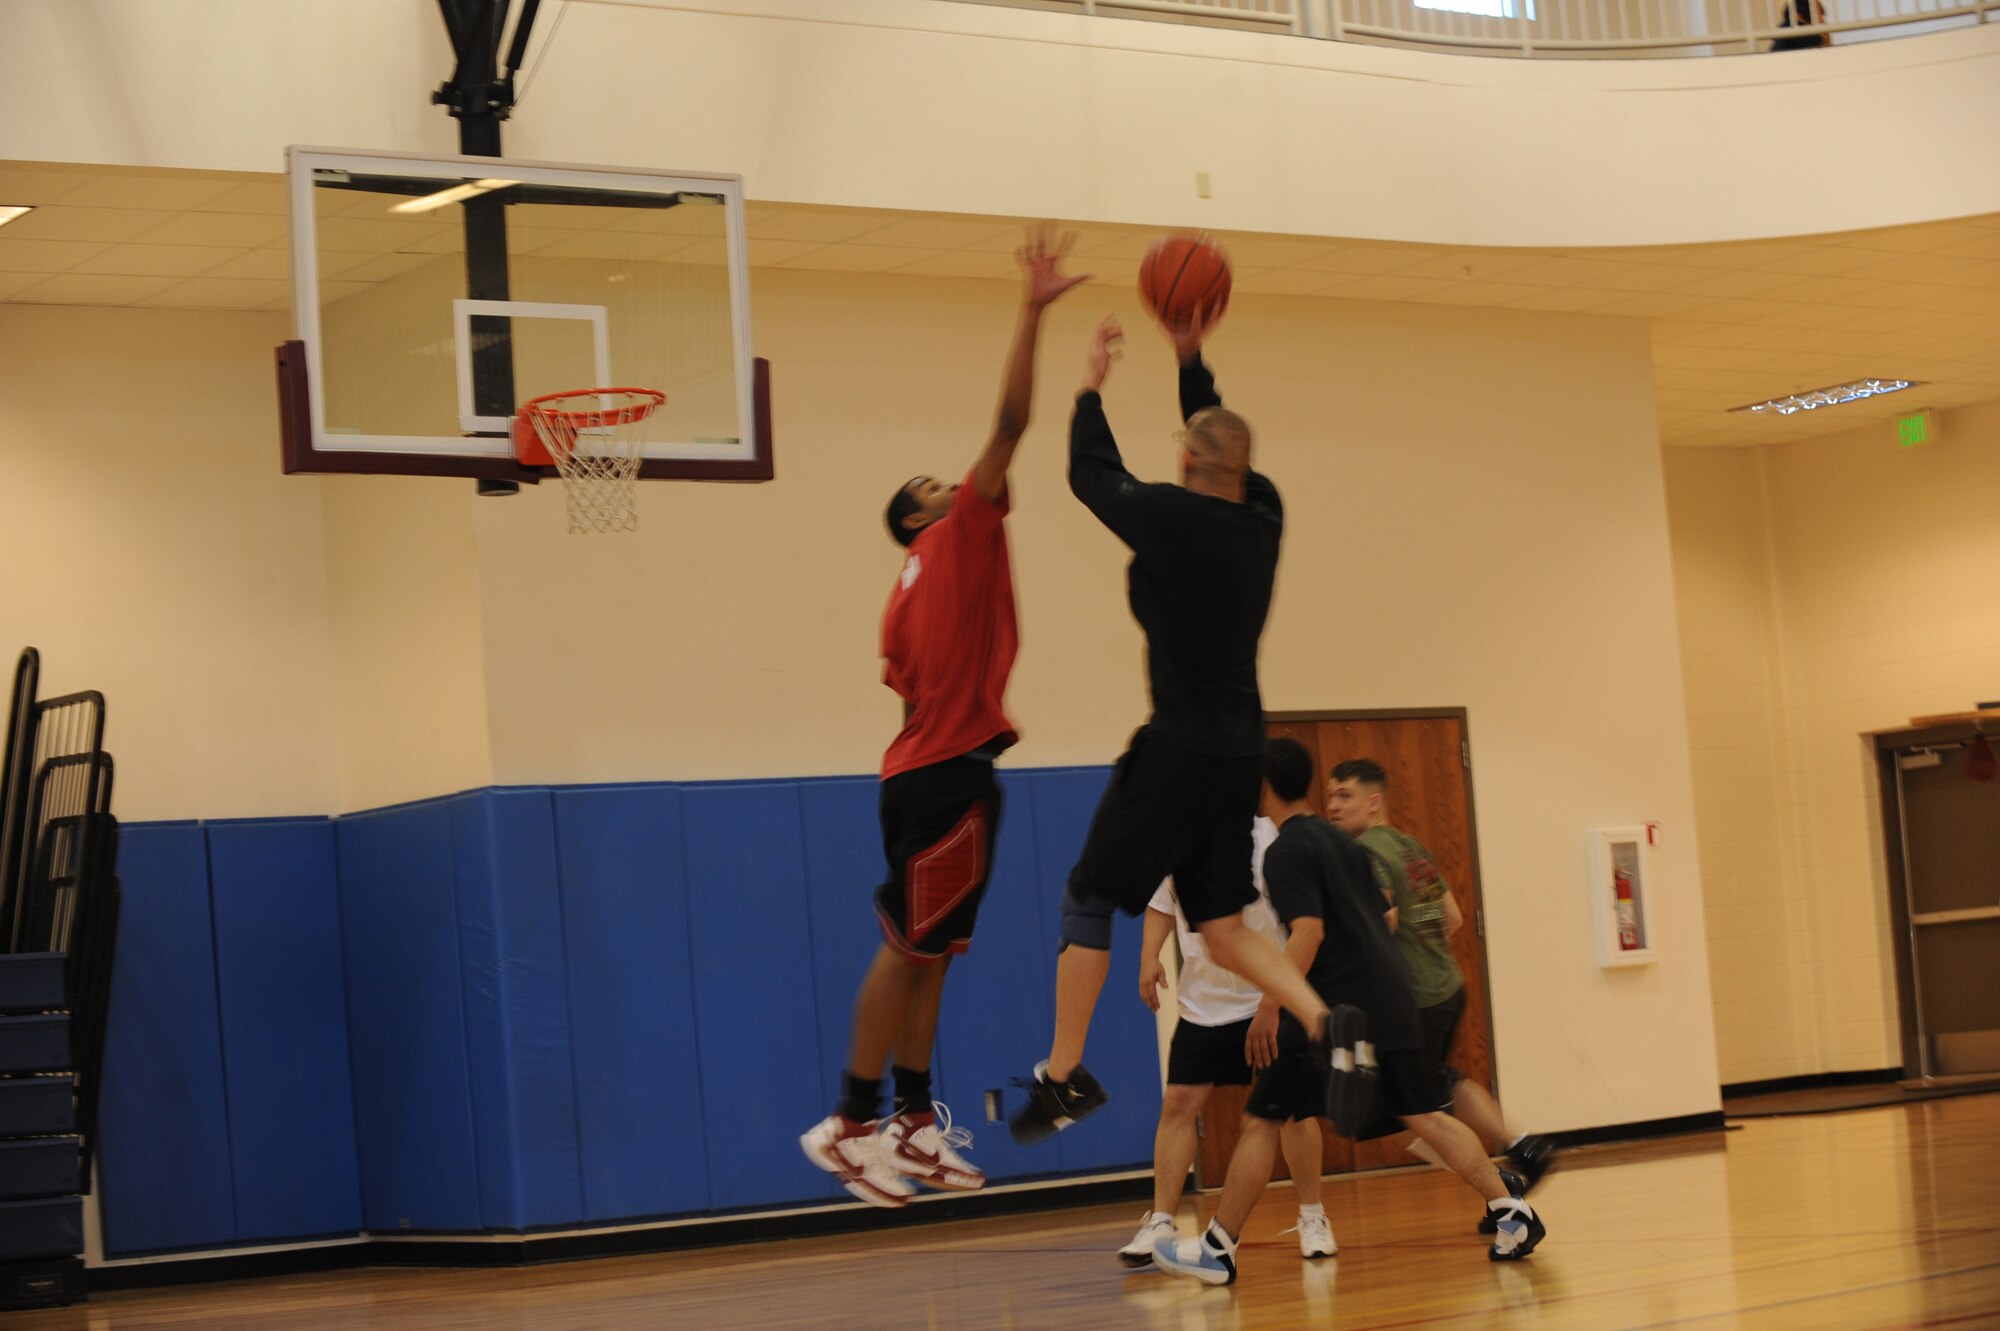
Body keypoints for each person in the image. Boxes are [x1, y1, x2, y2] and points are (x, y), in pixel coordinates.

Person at [800, 226, 1088, 1207]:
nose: (956, 481)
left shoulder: (900, 591)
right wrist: (1031, 311)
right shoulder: (959, 533)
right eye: (937, 483)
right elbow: (1009, 419)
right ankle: (847, 1121)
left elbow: (896, 674)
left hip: (926, 770)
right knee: (903, 947)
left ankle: (913, 1120)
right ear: (925, 514)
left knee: (928, 954)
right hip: (947, 772)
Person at [1009, 303, 1335, 1146]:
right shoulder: (1263, 515)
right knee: (1221, 928)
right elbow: (1218, 438)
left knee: (1088, 897)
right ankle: (1323, 1018)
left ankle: (1061, 1073)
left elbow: (1092, 475)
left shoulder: (1172, 516)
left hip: (1180, 746)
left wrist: (1089, 389)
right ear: (1244, 467)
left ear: (1187, 458)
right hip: (1239, 748)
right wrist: (1190, 358)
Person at [1153, 740, 1545, 1285]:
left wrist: (1272, 1003)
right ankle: (1512, 1212)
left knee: (1265, 1117)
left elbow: (1308, 931)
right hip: (1391, 995)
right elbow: (1383, 917)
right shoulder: (1344, 845)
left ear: (1263, 785)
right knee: (1424, 1111)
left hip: (1339, 1008)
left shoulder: (1285, 851)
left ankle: (1217, 1248)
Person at [1325, 757, 1556, 1222]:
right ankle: (1520, 1148)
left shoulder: (1368, 852)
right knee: (1434, 1089)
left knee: (1406, 1109)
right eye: (1329, 795)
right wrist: (1422, 949)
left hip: (1413, 999)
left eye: (1344, 795)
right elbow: (1447, 917)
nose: (1332, 805)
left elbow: (1384, 919)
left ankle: (1504, 1183)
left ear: (1374, 802)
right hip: (1445, 986)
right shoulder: (1411, 848)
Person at [1119, 817, 1336, 1266]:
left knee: (1292, 1111)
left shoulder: (1269, 842)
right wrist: (1148, 957)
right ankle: (1161, 1219)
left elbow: (1302, 926)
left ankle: (1313, 1216)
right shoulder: (1177, 837)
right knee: (1178, 1104)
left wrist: (1274, 1003)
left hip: (1266, 1001)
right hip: (1203, 1006)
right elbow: (1161, 903)